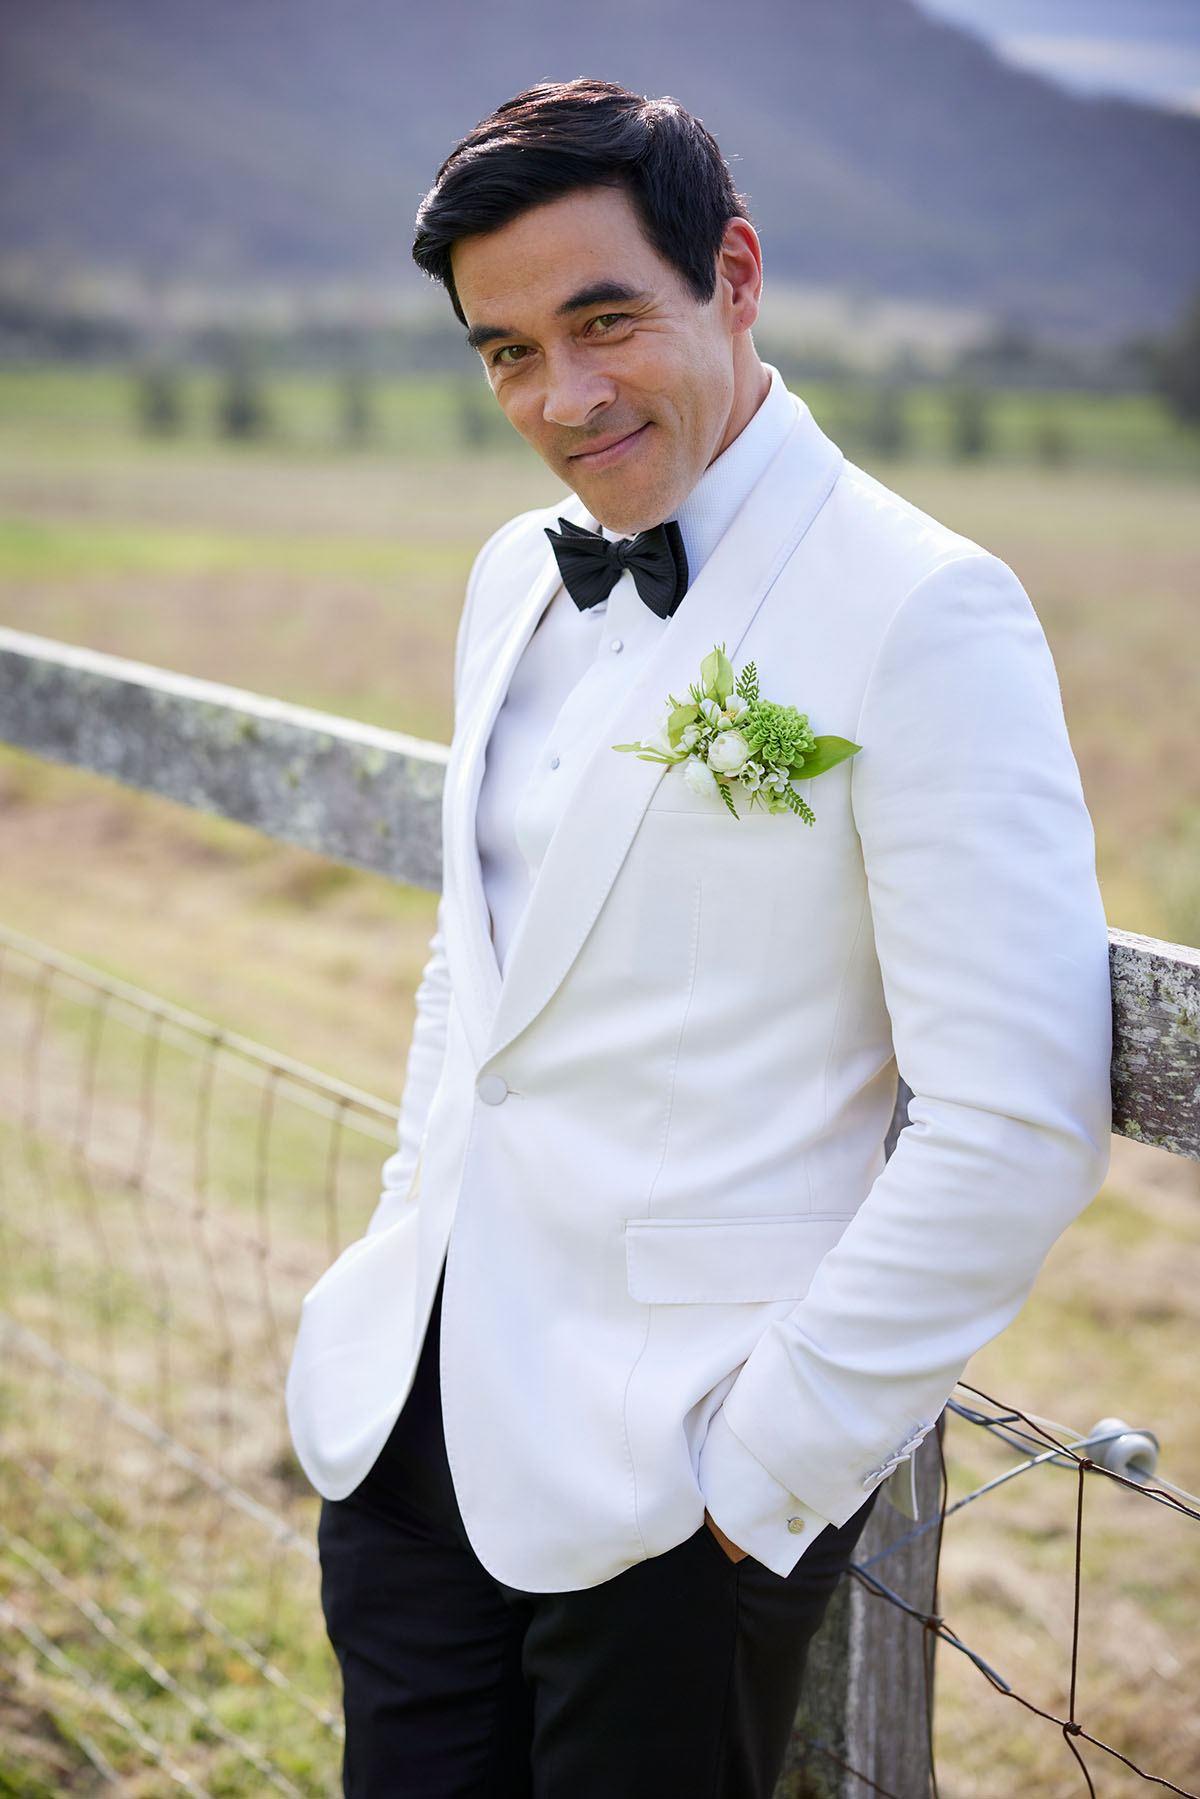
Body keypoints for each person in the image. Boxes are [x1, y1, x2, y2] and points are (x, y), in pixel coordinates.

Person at [286, 78, 1112, 1798]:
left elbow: (1018, 1117)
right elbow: (475, 970)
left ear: (733, 275)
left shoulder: (923, 607)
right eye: (507, 352)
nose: (563, 398)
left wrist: (763, 1477)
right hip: (411, 1426)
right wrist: (399, 1237)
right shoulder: (513, 576)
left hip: (673, 1483)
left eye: (605, 322)